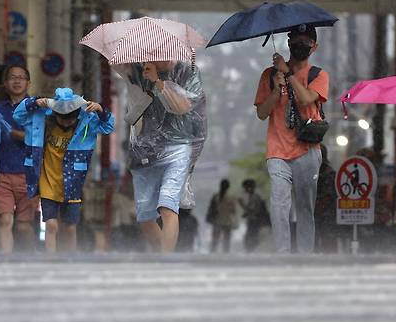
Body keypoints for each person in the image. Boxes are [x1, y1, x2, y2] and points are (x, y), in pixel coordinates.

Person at [115, 60, 206, 253]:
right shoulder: (139, 69)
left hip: (178, 147)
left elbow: (183, 106)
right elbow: (114, 64)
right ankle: (160, 256)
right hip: (145, 150)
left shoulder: (187, 71)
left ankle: (166, 259)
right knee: (145, 216)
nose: (158, 57)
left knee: (167, 205)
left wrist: (158, 81)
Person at [253, 24, 329, 253]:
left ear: (313, 47)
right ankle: (283, 255)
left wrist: (288, 73)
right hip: (277, 152)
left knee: (305, 208)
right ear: (288, 43)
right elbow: (261, 113)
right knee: (279, 206)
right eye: (295, 41)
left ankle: (305, 256)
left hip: (308, 150)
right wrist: (277, 88)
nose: (299, 45)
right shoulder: (269, 75)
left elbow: (306, 99)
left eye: (305, 43)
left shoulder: (318, 75)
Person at [13, 87, 114, 253]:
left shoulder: (87, 122)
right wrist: (34, 102)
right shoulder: (41, 120)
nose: (66, 122)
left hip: (72, 184)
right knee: (51, 225)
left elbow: (108, 126)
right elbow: (18, 116)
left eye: (70, 119)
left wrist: (101, 109)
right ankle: (50, 260)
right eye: (62, 118)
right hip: (48, 184)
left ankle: (70, 259)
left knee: (70, 227)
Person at [0, 65, 39, 253]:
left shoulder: (35, 108)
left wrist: (12, 132)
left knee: (24, 226)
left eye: (21, 77)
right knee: (5, 220)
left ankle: (32, 257)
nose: (17, 81)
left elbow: (35, 139)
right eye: (12, 78)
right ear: (5, 83)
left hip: (28, 174)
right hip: (2, 173)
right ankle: (5, 263)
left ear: (28, 83)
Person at [314, 145, 337, 253]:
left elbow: (329, 196)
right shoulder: (312, 173)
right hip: (315, 217)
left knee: (329, 246)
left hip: (328, 217)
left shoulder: (330, 174)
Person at [207, 179, 238, 253]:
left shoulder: (215, 196)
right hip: (227, 221)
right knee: (226, 241)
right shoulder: (231, 197)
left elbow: (211, 208)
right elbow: (233, 211)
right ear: (228, 187)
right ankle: (225, 254)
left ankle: (213, 253)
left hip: (217, 221)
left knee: (215, 240)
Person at [239, 179, 269, 252]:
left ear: (250, 187)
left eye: (245, 187)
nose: (244, 190)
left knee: (251, 237)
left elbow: (253, 210)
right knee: (251, 237)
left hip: (255, 221)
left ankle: (251, 251)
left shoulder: (255, 197)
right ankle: (251, 251)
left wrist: (242, 204)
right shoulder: (253, 196)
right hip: (254, 221)